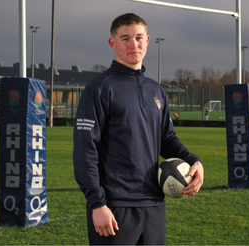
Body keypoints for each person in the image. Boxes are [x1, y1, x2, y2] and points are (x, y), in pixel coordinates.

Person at [73, 13, 204, 245]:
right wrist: (97, 203)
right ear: (112, 43)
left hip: (154, 204)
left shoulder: (156, 90)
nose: (133, 44)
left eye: (139, 37)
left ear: (148, 40)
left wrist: (194, 160)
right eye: (125, 38)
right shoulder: (100, 88)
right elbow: (85, 150)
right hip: (115, 206)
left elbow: (166, 139)